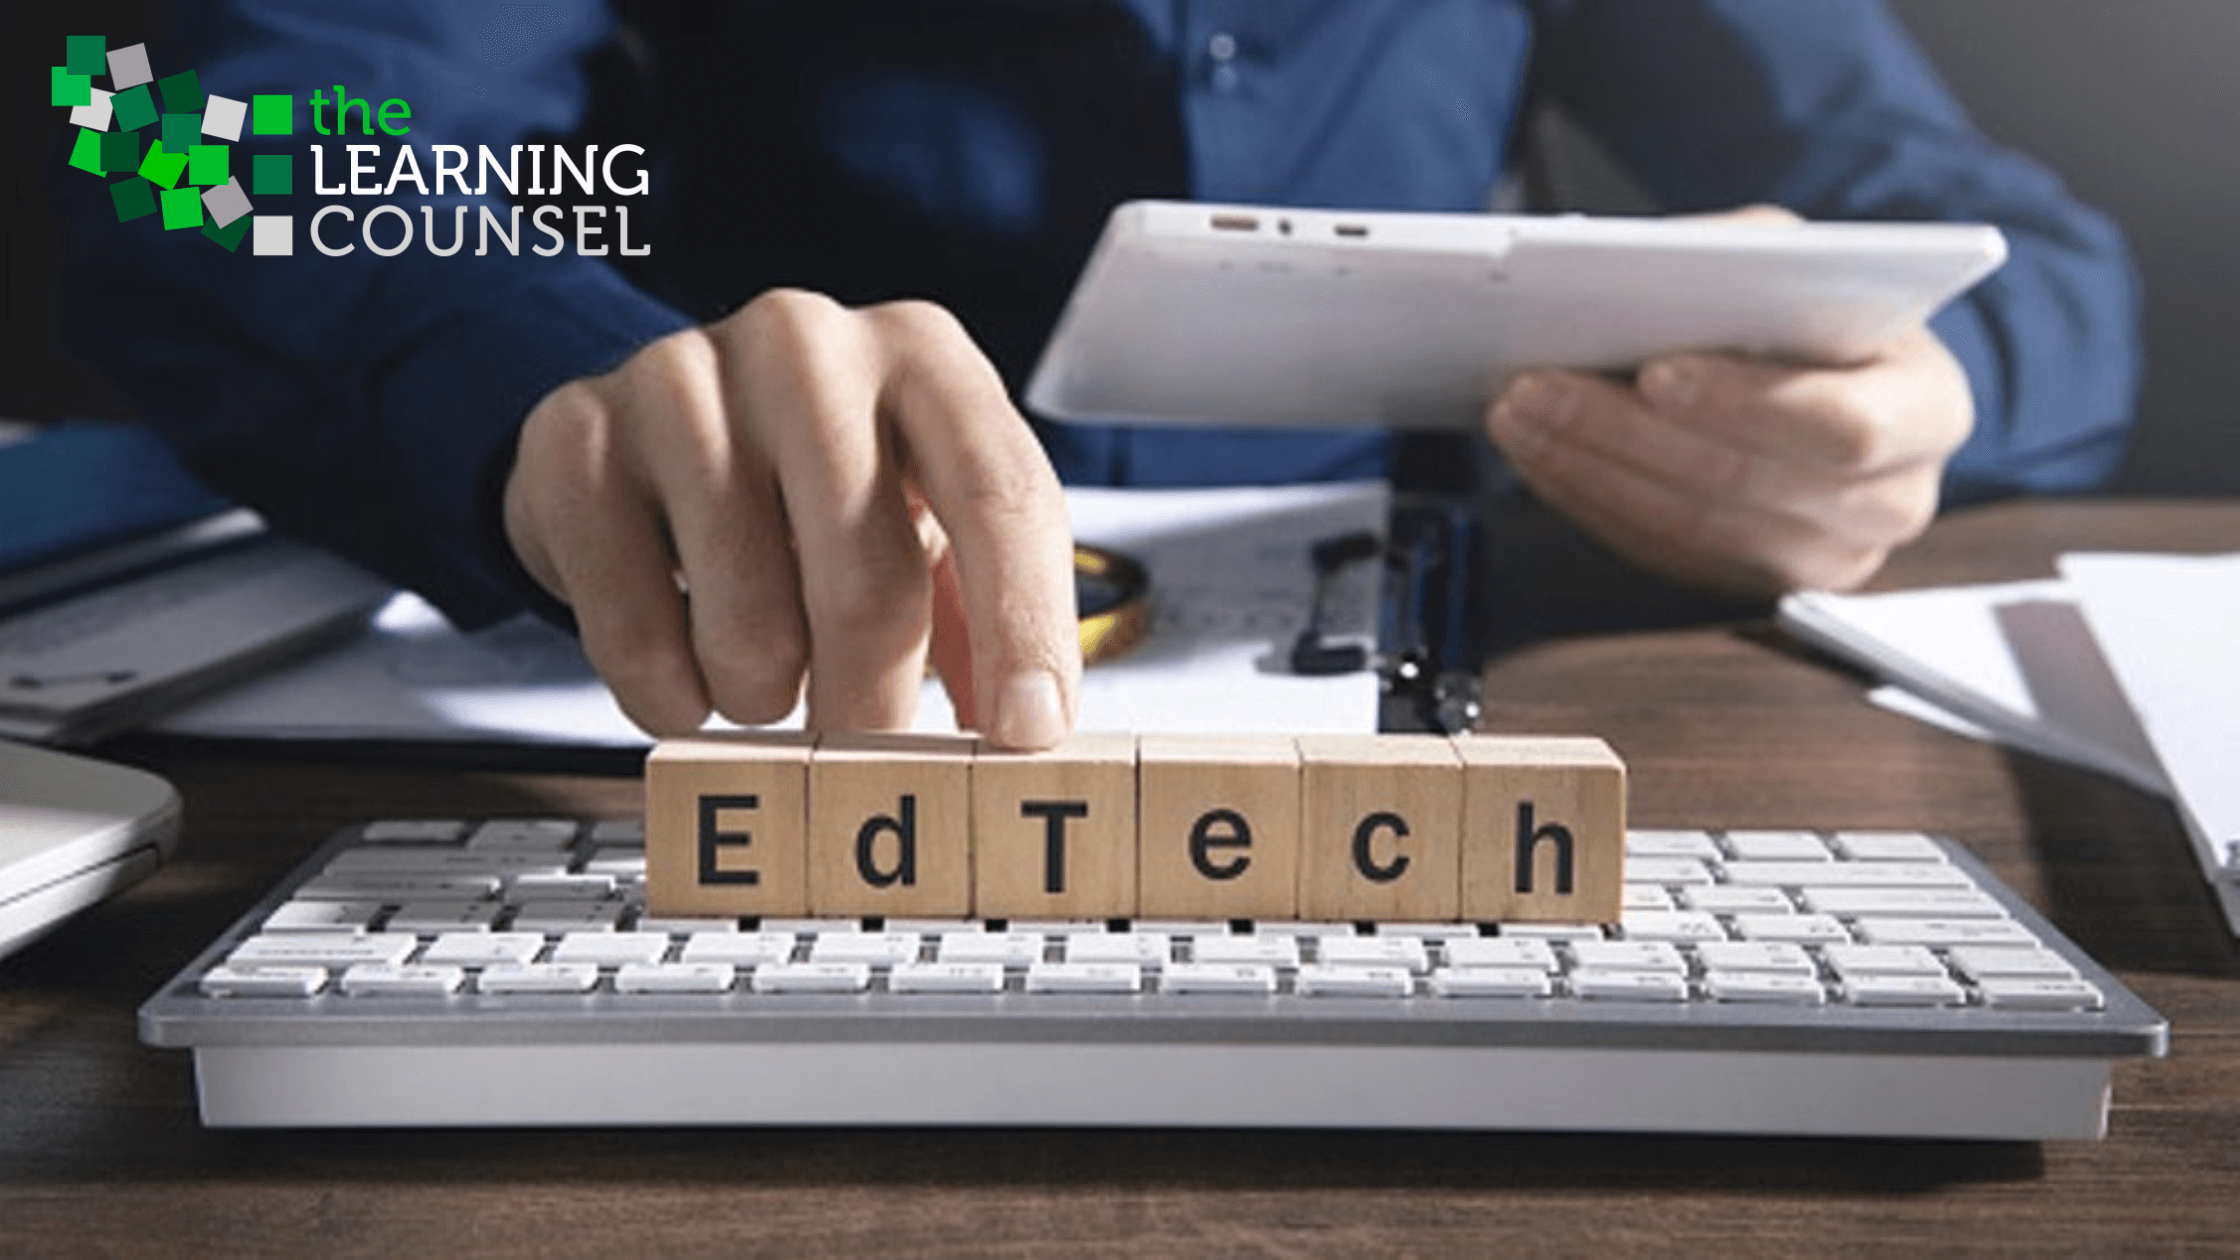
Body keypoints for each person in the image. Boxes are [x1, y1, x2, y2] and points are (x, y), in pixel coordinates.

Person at [58, 0, 2140, 750]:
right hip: (736, 730)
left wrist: (1918, 386)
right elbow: (153, 137)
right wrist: (545, 364)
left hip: (1438, 725)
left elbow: (2032, 251)